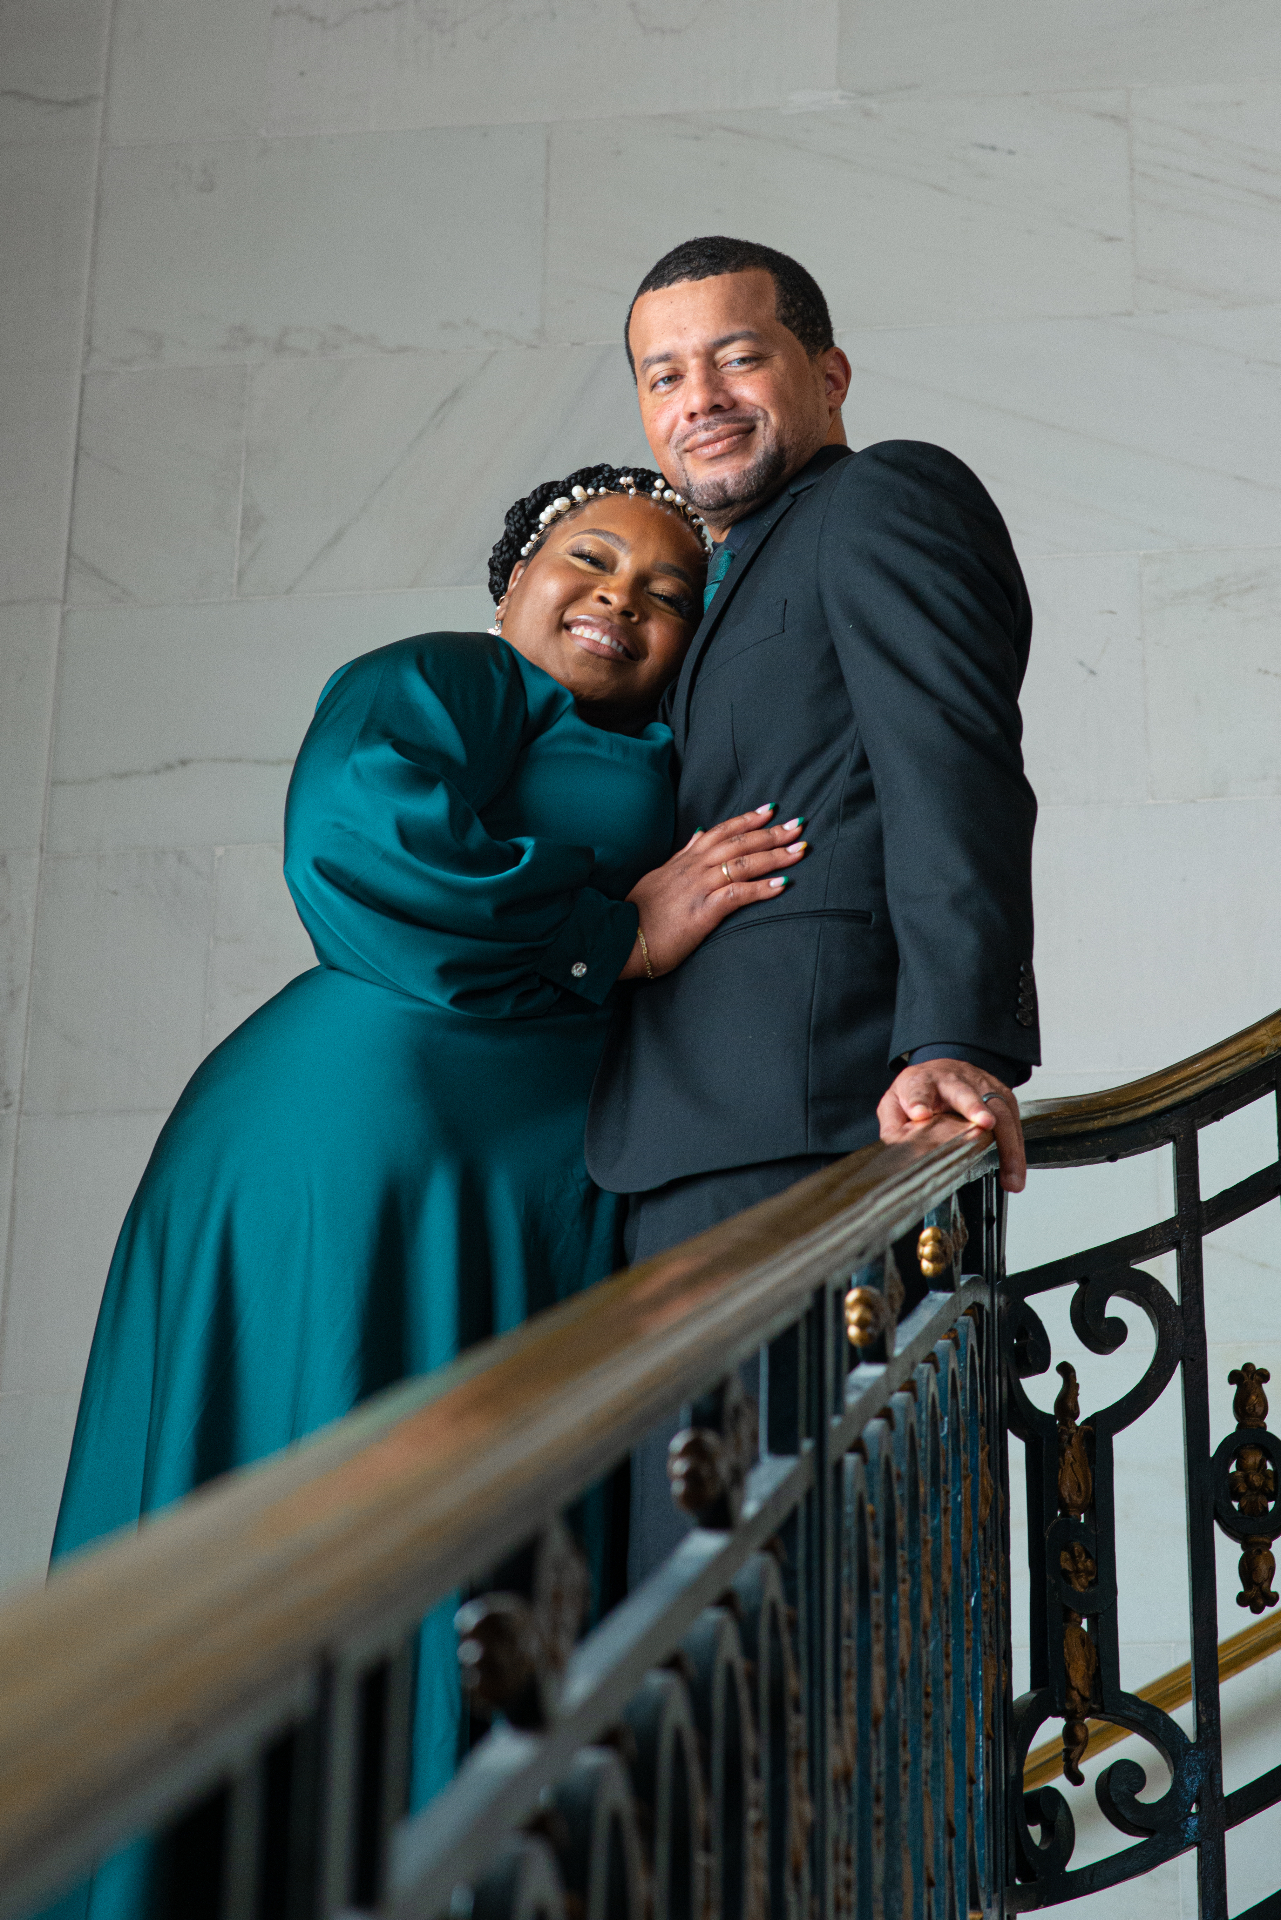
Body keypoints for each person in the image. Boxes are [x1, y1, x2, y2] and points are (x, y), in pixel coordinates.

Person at [44, 463, 809, 1919]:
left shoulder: (666, 744)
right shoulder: (449, 678)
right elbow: (356, 829)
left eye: (666, 592)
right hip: (352, 1154)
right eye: (590, 559)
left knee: (469, 1567)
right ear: (514, 580)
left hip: (524, 1186)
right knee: (302, 1521)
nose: (621, 599)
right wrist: (611, 936)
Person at [583, 238, 1040, 1584]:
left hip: (812, 1125)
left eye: (738, 357)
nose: (700, 399)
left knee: (791, 1588)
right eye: (665, 374)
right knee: (687, 1601)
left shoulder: (885, 497)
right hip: (665, 1142)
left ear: (827, 373)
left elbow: (952, 767)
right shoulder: (700, 580)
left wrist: (952, 1040)